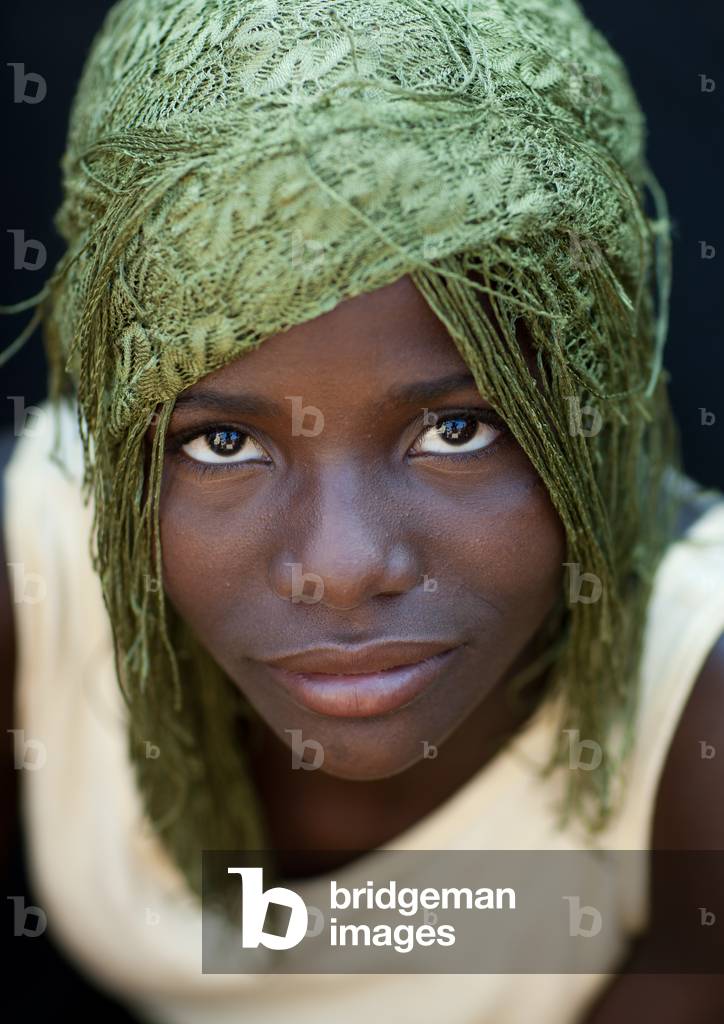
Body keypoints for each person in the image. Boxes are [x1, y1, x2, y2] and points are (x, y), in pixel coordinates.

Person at [2, 0, 724, 1021]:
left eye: (458, 430)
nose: (340, 566)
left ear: (590, 406)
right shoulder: (41, 570)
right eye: (222, 442)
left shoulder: (696, 710)